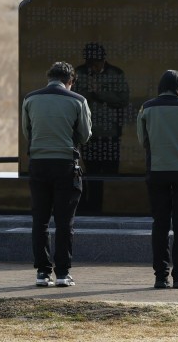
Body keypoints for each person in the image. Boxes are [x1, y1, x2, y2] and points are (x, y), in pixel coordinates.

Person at [22, 61, 92, 288]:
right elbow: (85, 134)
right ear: (70, 81)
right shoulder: (78, 100)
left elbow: (27, 131)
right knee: (64, 222)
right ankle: (63, 273)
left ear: (49, 77)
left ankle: (42, 272)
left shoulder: (30, 99)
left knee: (40, 220)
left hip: (39, 164)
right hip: (65, 165)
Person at [136, 70, 178, 289]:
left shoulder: (147, 108)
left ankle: (160, 276)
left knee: (160, 224)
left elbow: (142, 139)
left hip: (157, 170)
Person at [72, 42, 130, 174]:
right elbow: (73, 99)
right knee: (92, 173)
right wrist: (89, 92)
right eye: (90, 64)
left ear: (103, 60)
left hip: (110, 133)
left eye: (96, 64)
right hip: (87, 133)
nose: (93, 67)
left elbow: (123, 100)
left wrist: (100, 92)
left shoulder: (116, 73)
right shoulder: (78, 73)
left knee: (111, 172)